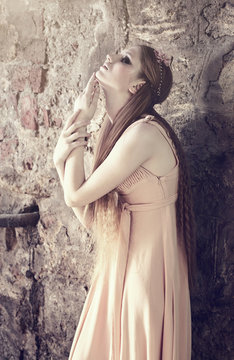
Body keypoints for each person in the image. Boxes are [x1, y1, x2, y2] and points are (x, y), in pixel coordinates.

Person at [53, 44, 197, 360]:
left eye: (125, 59)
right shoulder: (118, 129)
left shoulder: (143, 133)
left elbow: (75, 194)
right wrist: (58, 161)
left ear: (137, 85)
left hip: (145, 274)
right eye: (119, 53)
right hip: (120, 265)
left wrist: (81, 120)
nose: (111, 57)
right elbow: (92, 217)